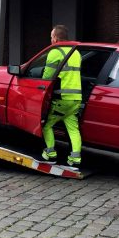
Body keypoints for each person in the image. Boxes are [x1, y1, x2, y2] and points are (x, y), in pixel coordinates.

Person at [41, 25, 82, 167]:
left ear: (56, 38)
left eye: (51, 37)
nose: (51, 40)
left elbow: (47, 76)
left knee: (47, 125)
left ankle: (50, 154)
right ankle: (75, 159)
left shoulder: (55, 51)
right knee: (73, 128)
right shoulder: (76, 53)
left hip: (62, 98)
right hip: (76, 98)